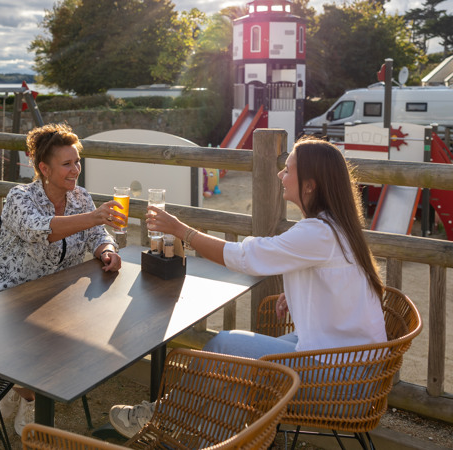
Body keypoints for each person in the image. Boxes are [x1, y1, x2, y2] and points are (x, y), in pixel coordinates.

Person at [109, 137, 388, 438]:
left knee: (224, 346)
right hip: (350, 367)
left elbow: (245, 257)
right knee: (236, 367)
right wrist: (296, 294)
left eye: (288, 169)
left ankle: (162, 421)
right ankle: (205, 439)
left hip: (346, 383)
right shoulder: (335, 226)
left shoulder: (319, 232)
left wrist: (182, 231)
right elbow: (336, 284)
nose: (280, 174)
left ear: (310, 185)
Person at [0, 123, 126, 435]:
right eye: (67, 164)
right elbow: (39, 230)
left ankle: (14, 388)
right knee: (44, 344)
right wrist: (94, 217)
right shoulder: (19, 197)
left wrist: (107, 250)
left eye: (77, 162)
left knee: (81, 337)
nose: (75, 170)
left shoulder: (81, 197)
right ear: (44, 168)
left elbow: (98, 235)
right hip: (2, 299)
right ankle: (28, 395)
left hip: (53, 299)